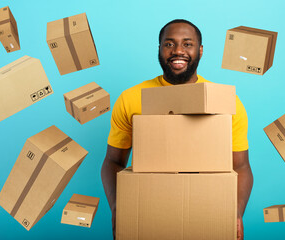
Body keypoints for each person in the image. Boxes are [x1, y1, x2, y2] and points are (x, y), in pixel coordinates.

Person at [101, 19, 253, 240]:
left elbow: (241, 166)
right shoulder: (131, 98)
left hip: (206, 213)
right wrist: (118, 207)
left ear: (200, 50)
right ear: (160, 49)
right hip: (148, 212)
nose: (178, 51)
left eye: (187, 44)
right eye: (169, 44)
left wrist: (235, 212)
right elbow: (113, 161)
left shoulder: (226, 102)